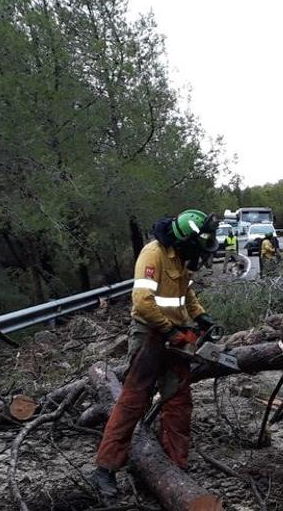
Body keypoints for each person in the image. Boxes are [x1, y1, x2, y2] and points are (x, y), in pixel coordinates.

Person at [91, 209, 221, 498]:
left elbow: (186, 293)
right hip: (150, 333)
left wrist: (201, 317)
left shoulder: (180, 257)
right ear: (184, 238)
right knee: (132, 401)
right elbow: (142, 302)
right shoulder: (153, 254)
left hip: (174, 332)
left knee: (178, 400)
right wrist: (169, 331)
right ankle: (104, 470)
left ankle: (176, 468)